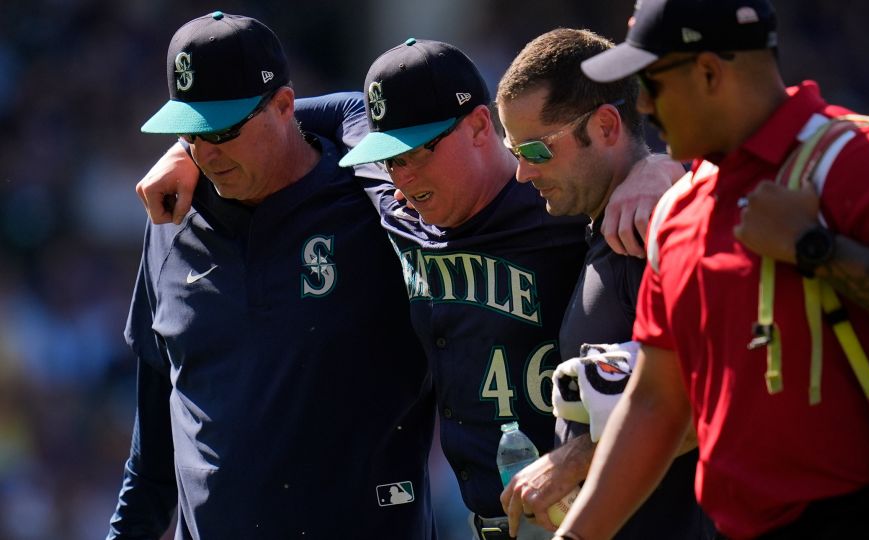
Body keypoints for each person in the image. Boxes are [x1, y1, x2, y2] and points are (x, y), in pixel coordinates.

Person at [133, 36, 680, 539]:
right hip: (498, 523)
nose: (404, 175)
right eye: (391, 157)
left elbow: (691, 389)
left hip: (620, 512)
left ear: (480, 127)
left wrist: (656, 167)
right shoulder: (391, 201)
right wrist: (196, 142)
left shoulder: (560, 201)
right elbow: (331, 111)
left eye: (420, 151)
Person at [552, 0, 869, 539]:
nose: (643, 105)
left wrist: (817, 250)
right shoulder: (678, 209)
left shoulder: (862, 158)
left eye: (650, 82)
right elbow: (656, 402)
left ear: (708, 72)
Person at [106, 12, 436, 539]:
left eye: (224, 130)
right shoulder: (170, 219)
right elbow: (152, 460)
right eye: (190, 133)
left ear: (284, 106)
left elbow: (361, 108)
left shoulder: (369, 203)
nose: (206, 152)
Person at [494, 28, 714, 539]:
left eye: (537, 150)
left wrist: (575, 458)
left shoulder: (652, 232)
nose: (523, 173)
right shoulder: (597, 221)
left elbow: (711, 395)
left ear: (607, 125)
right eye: (513, 150)